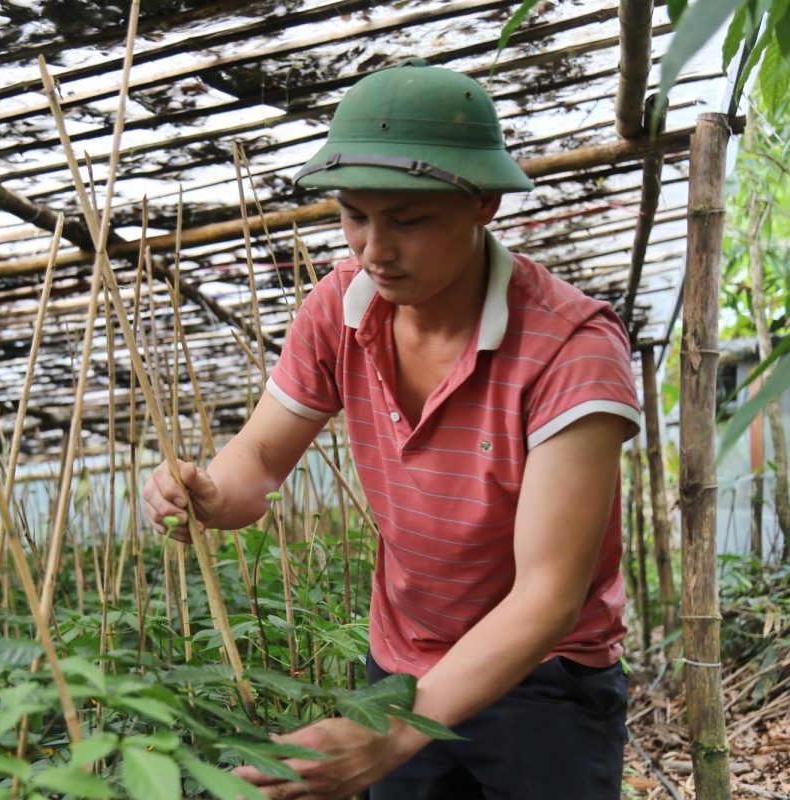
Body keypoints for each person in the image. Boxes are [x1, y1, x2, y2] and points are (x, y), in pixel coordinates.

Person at [142, 57, 643, 800]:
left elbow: (548, 595)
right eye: (354, 215)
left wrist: (398, 731)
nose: (373, 249)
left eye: (407, 219)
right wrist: (205, 492)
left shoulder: (571, 348)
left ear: (483, 205)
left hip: (544, 676)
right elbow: (257, 464)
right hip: (401, 661)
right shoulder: (340, 309)